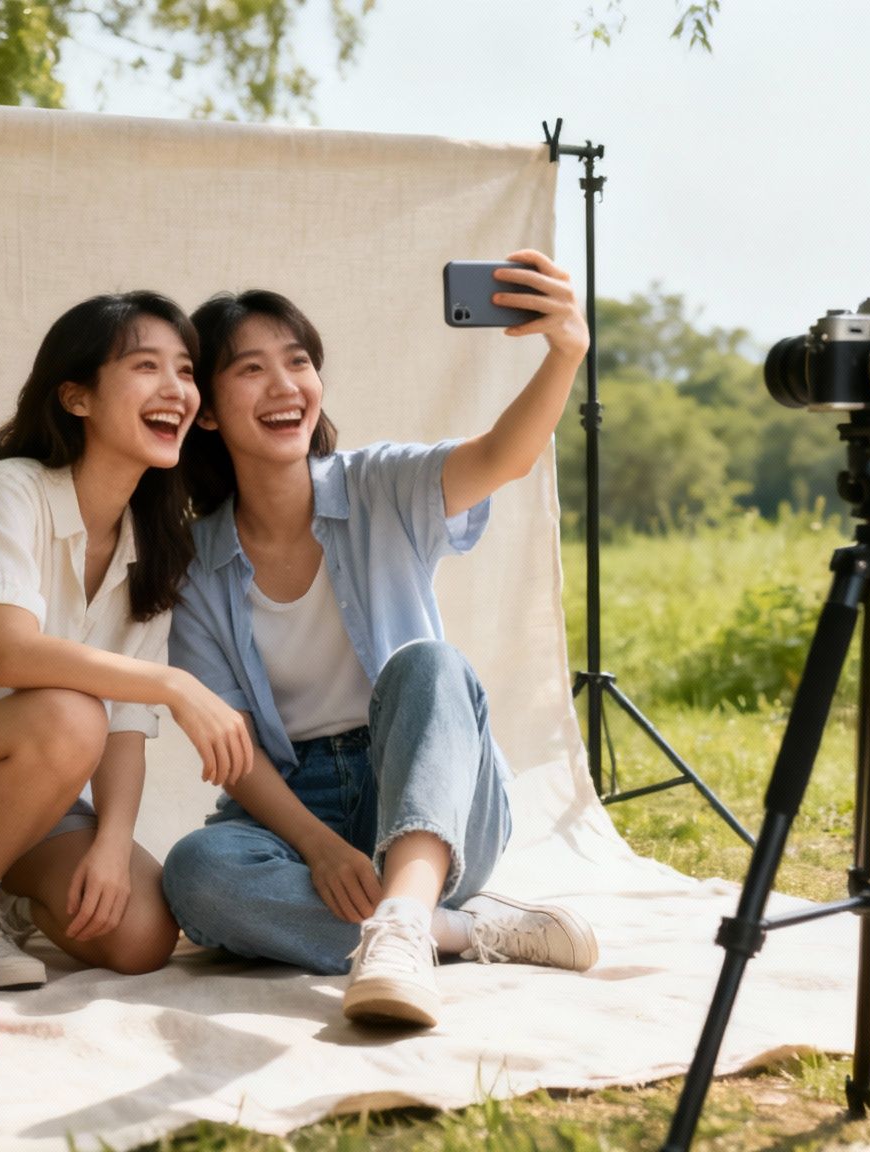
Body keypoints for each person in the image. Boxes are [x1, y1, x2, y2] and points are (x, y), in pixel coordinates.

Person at [162, 251, 598, 1027]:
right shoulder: (196, 564)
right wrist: (318, 846)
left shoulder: (380, 485)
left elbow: (504, 456)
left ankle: (400, 917)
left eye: (299, 362)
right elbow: (234, 749)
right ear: (206, 410)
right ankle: (450, 930)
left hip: (427, 780)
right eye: (251, 370)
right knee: (196, 874)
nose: (284, 386)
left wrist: (567, 350)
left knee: (428, 665)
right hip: (297, 809)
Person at [0, 292, 253, 990]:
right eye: (146, 366)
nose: (176, 390)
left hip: (38, 787)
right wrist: (177, 685)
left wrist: (113, 846)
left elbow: (123, 729)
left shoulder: (154, 544)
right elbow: (14, 656)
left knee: (143, 935)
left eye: (185, 370)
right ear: (77, 397)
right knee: (69, 710)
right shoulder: (6, 492)